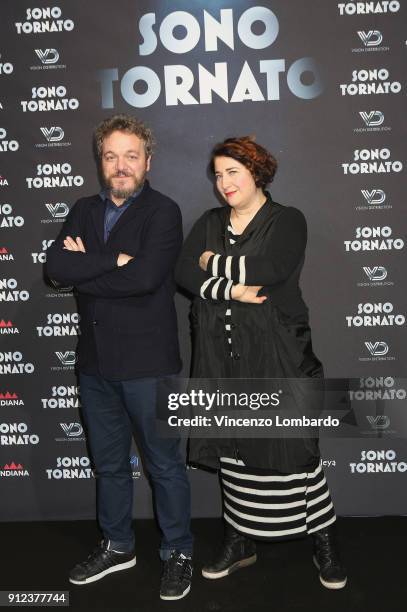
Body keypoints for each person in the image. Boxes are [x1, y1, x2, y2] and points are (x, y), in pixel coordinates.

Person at [175, 136, 347, 590]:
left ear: (257, 171)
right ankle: (240, 540)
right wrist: (229, 288)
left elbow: (270, 268)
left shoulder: (287, 220)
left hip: (279, 356)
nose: (224, 183)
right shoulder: (210, 221)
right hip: (222, 359)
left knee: (296, 451)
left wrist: (214, 260)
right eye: (218, 174)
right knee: (235, 449)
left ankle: (324, 541)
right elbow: (183, 272)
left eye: (233, 171)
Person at [46, 114, 193, 601]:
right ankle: (117, 545)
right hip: (94, 365)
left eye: (131, 156)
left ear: (147, 162)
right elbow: (55, 268)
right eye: (112, 156)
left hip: (149, 366)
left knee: (165, 467)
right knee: (108, 466)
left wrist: (85, 269)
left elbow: (147, 278)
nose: (121, 165)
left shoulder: (163, 211)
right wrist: (113, 260)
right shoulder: (83, 209)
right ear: (101, 162)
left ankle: (178, 553)